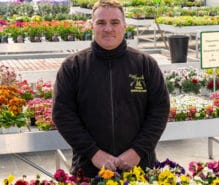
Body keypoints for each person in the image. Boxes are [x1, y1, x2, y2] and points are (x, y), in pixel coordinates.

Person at [52, 0, 170, 178]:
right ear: (91, 26)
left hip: (139, 169)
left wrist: (137, 151)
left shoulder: (145, 64)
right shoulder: (73, 66)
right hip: (90, 170)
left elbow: (159, 110)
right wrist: (94, 153)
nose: (108, 28)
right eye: (101, 23)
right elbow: (62, 114)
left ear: (124, 26)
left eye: (114, 22)